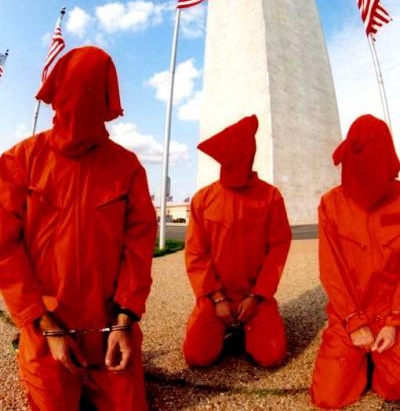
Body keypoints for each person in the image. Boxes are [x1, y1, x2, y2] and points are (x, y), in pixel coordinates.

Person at [0, 46, 157, 411]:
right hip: (45, 328)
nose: (79, 111)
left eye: (91, 96)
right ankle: (28, 350)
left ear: (106, 101)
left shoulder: (127, 167)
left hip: (109, 328)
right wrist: (43, 324)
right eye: (73, 96)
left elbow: (139, 247)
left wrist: (125, 320)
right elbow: (4, 248)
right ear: (57, 95)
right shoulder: (20, 161)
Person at [183, 115, 292, 367]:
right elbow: (196, 253)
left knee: (272, 357)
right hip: (215, 296)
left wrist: (257, 296)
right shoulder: (203, 199)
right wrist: (217, 298)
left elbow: (278, 249)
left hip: (254, 296)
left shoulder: (270, 197)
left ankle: (251, 326)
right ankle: (214, 325)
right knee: (196, 357)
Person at [311, 114, 400, 408]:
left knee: (395, 387)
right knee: (328, 397)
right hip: (350, 315)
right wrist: (353, 322)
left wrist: (393, 322)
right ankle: (361, 358)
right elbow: (331, 270)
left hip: (392, 312)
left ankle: (379, 360)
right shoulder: (331, 204)